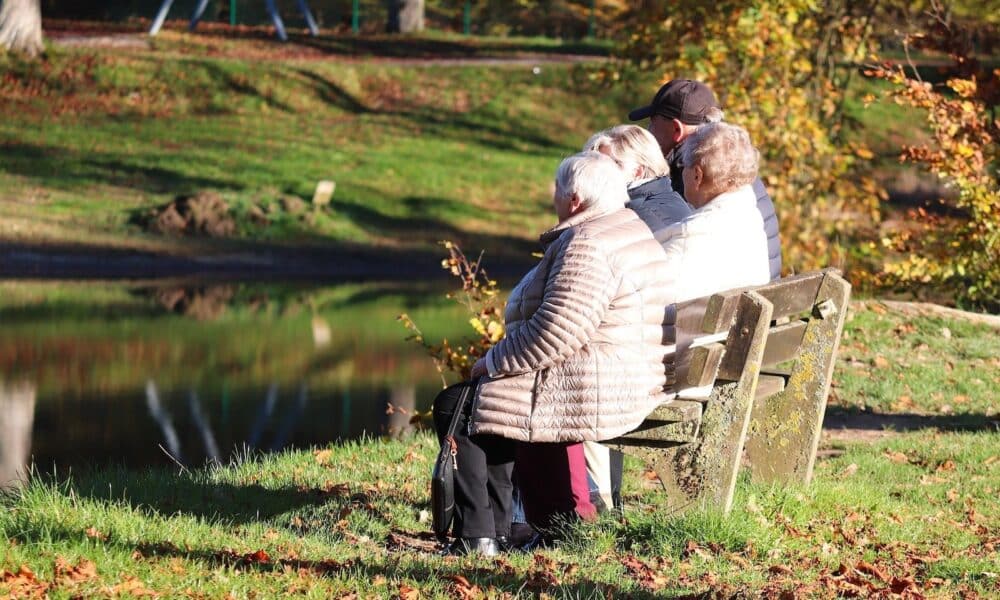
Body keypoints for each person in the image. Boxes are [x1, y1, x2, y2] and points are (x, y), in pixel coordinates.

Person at [432, 151, 674, 555]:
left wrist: (491, 362)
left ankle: (480, 537)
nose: (554, 198)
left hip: (598, 378)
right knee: (487, 404)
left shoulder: (589, 244)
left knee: (458, 406)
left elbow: (556, 331)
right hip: (622, 368)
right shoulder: (623, 227)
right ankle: (501, 531)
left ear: (574, 200)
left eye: (557, 191)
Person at [580, 124, 691, 511]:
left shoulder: (631, 224)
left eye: (605, 167)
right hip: (690, 359)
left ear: (638, 172)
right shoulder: (674, 207)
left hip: (661, 370)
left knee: (578, 379)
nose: (594, 176)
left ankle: (598, 506)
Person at [628, 79, 782, 281]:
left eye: (652, 124)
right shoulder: (735, 160)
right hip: (760, 289)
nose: (649, 132)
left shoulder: (692, 171)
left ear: (676, 129)